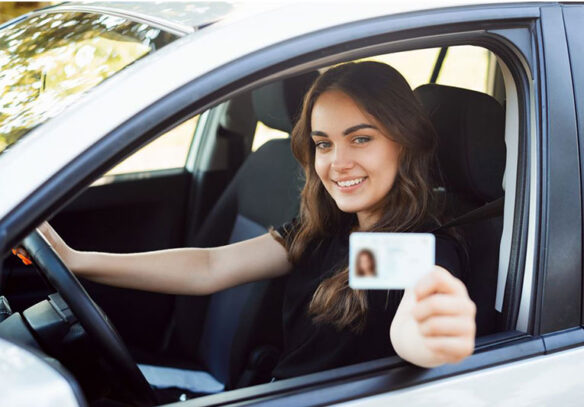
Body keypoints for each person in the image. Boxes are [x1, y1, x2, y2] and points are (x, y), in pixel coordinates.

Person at [38, 61, 476, 380]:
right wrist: (77, 260)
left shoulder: (417, 248)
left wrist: (433, 336)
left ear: (405, 142)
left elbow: (413, 329)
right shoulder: (334, 230)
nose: (338, 163)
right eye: (323, 144)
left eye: (360, 139)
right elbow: (211, 268)